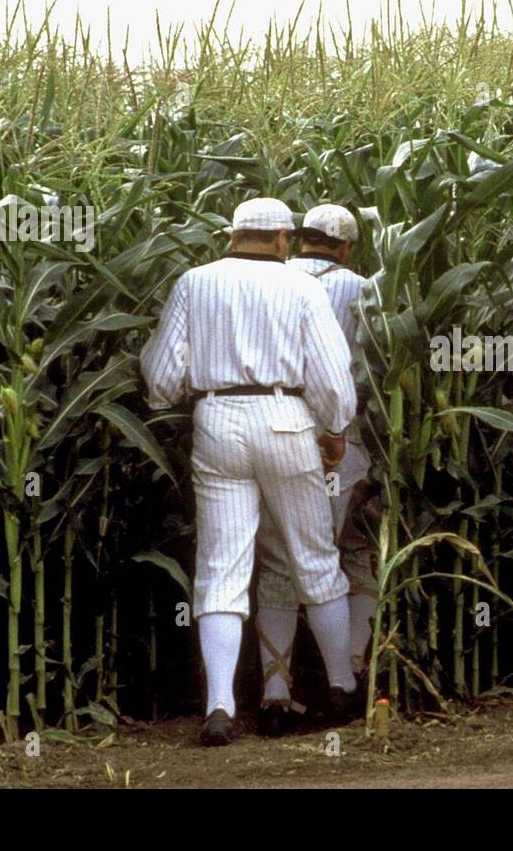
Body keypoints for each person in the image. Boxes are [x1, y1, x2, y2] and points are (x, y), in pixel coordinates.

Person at [140, 197, 359, 746]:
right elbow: (332, 378)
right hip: (287, 417)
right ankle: (340, 687)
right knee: (313, 555)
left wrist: (177, 394)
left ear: (232, 235)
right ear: (284, 239)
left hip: (217, 418)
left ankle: (219, 707)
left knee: (221, 564)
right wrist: (333, 428)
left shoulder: (195, 281)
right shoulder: (303, 288)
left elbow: (162, 374)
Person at [254, 203, 377, 736]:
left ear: (297, 239)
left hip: (273, 436)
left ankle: (276, 692)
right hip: (341, 447)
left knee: (281, 566)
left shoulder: (264, 281)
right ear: (345, 247)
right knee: (351, 554)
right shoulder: (362, 290)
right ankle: (345, 677)